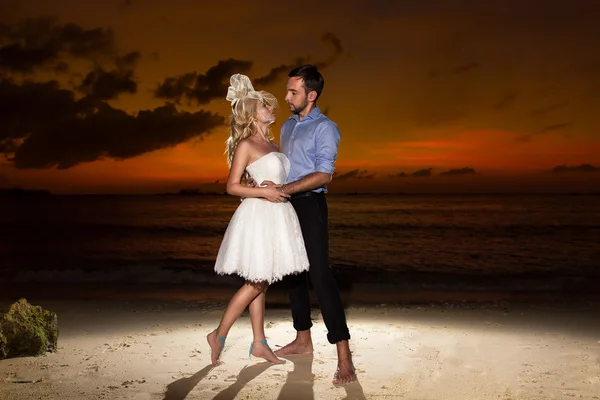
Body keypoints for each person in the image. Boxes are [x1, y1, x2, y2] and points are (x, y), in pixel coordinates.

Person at [261, 65, 357, 384]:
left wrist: (284, 189)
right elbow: (286, 166)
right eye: (288, 90)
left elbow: (324, 174)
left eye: (293, 92)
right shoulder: (287, 126)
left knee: (319, 275)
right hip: (286, 205)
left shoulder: (325, 128)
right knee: (293, 273)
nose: (287, 97)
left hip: (310, 204)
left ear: (311, 95)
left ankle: (344, 357)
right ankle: (303, 340)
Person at [206, 74, 310, 366]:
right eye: (263, 105)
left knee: (260, 279)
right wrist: (261, 192)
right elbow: (232, 186)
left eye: (268, 104)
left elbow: (277, 181)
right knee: (256, 282)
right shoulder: (247, 145)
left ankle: (259, 342)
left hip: (277, 215)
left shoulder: (275, 146)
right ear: (252, 114)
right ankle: (219, 334)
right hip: (259, 216)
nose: (270, 108)